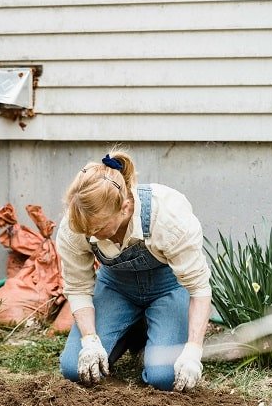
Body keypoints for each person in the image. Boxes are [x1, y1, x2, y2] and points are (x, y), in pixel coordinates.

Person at [57, 150, 212, 391]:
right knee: (74, 369)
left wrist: (193, 351)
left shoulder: (169, 216)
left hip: (168, 288)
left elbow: (199, 289)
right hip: (116, 288)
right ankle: (130, 333)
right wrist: (89, 341)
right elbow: (78, 287)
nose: (90, 235)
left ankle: (149, 334)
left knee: (165, 377)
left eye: (98, 228)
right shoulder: (79, 223)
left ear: (125, 208)